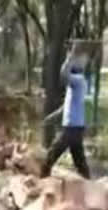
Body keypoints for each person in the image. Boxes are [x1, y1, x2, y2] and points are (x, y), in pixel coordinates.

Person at [42, 45, 91, 179]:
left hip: (71, 128)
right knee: (79, 161)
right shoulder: (74, 84)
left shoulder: (78, 81)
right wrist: (50, 118)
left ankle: (41, 182)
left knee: (50, 156)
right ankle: (89, 187)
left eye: (76, 60)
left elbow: (63, 74)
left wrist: (69, 57)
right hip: (75, 127)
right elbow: (65, 108)